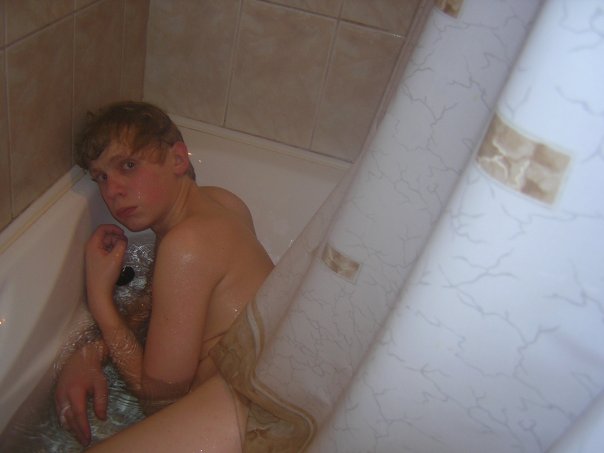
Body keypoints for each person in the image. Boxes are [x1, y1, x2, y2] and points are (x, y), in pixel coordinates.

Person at [54, 101, 274, 450]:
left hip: (245, 412)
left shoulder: (186, 246)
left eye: (128, 165)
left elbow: (159, 399)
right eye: (101, 177)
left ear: (178, 159)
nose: (112, 192)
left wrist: (99, 299)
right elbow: (169, 312)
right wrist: (92, 353)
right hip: (268, 379)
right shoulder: (222, 203)